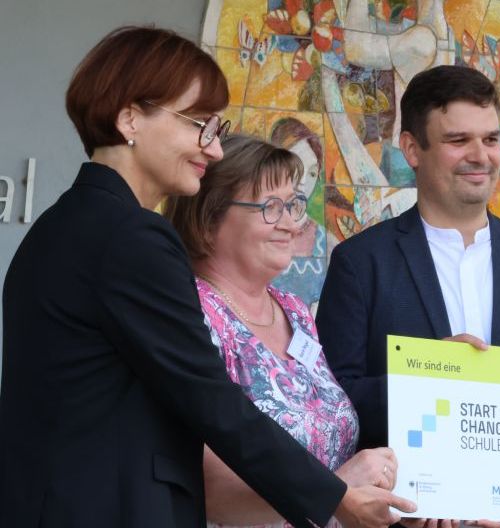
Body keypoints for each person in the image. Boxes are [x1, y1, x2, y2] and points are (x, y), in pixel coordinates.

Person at [0, 26, 414, 528]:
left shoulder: (58, 227)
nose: (213, 149)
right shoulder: (131, 237)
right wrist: (334, 497)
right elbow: (212, 399)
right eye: (198, 124)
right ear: (130, 117)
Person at [316, 64, 500, 528]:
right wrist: (427, 382)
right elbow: (334, 396)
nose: (480, 155)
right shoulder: (360, 261)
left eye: (490, 139)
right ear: (412, 149)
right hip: (405, 516)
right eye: (457, 140)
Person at [164, 135, 406, 527]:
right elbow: (205, 488)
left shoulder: (294, 310)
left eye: (293, 205)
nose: (293, 224)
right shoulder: (190, 312)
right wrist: (335, 490)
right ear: (208, 218)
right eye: (270, 208)